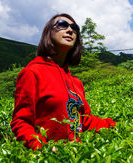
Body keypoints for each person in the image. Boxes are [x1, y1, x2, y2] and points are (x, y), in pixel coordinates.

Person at [10, 13, 116, 150]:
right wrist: (42, 149)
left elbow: (85, 120)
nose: (70, 30)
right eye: (62, 25)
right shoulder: (32, 73)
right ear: (48, 33)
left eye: (74, 28)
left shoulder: (76, 82)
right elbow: (21, 122)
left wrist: (119, 125)